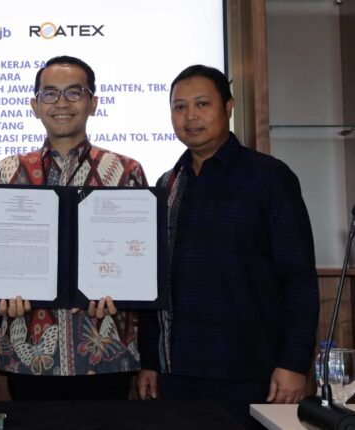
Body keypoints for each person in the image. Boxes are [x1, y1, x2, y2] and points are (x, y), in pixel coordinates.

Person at [136, 65, 319, 428]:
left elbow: (298, 279)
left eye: (202, 104)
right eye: (179, 107)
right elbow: (154, 285)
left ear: (228, 107)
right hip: (175, 373)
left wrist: (293, 363)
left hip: (250, 371)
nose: (190, 116)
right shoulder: (167, 184)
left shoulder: (270, 177)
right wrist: (150, 363)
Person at [0, 56, 148, 400]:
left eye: (74, 92)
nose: (61, 103)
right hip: (29, 356)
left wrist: (122, 290)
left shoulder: (125, 172)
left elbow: (139, 260)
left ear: (93, 103)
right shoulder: (8, 172)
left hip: (105, 354)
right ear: (35, 106)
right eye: (50, 94)